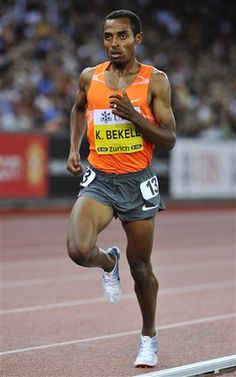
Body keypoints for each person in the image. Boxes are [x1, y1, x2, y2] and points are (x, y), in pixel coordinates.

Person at [66, 9, 176, 368]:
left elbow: (170, 138)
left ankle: (148, 337)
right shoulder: (90, 76)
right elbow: (79, 109)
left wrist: (134, 115)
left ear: (137, 39)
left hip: (137, 182)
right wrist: (73, 148)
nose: (114, 43)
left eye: (122, 36)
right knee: (79, 249)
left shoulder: (154, 81)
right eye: (109, 37)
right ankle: (107, 260)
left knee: (141, 267)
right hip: (100, 178)